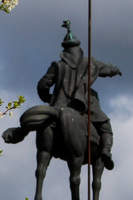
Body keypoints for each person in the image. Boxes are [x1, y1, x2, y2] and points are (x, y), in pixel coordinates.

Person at [36, 22, 121, 168]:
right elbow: (107, 69)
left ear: (65, 50)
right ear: (78, 48)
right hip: (84, 104)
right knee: (105, 125)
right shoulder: (90, 63)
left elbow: (43, 85)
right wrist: (115, 70)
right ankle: (105, 150)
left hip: (57, 106)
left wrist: (49, 98)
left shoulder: (57, 65)